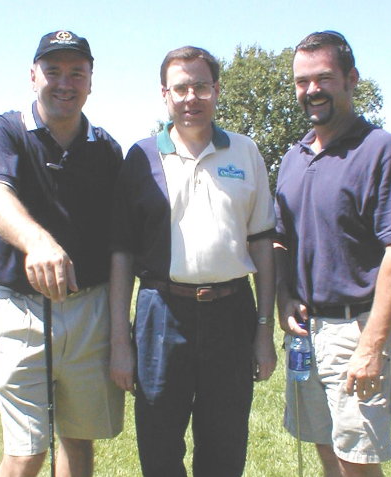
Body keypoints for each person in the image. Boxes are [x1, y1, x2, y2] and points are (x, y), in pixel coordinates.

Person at [109, 45, 277, 477]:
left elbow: (262, 243)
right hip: (161, 314)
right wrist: (120, 342)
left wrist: (264, 330)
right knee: (159, 447)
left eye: (201, 86)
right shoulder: (142, 157)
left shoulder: (245, 152)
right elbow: (122, 254)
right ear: (164, 94)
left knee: (225, 446)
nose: (191, 97)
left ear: (217, 90)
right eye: (181, 88)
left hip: (232, 313)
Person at [0, 30, 124, 477]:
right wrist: (37, 241)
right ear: (33, 75)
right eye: (53, 71)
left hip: (90, 310)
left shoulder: (107, 148)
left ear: (91, 81)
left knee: (77, 442)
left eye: (77, 73)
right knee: (26, 453)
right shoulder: (4, 129)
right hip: (22, 312)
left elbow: (120, 241)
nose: (64, 83)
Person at [274, 31, 391, 477]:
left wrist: (372, 346)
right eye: (302, 81)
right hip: (307, 331)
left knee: (356, 459)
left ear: (351, 79)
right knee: (324, 445)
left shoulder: (383, 151)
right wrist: (283, 296)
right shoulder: (294, 157)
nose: (312, 90)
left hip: (356, 329)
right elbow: (281, 239)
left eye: (323, 78)